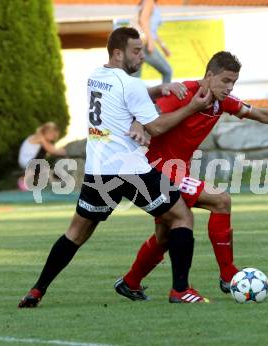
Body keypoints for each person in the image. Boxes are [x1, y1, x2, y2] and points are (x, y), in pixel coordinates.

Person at [18, 27, 213, 308]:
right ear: (118, 52)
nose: (142, 56)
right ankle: (180, 290)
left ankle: (37, 291)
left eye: (143, 50)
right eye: (137, 51)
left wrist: (158, 89)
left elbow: (124, 96)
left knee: (75, 233)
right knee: (182, 217)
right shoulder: (130, 85)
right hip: (130, 170)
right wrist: (193, 107)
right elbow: (155, 127)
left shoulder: (96, 76)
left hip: (99, 172)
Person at [113, 51, 268, 302]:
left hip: (176, 168)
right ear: (209, 76)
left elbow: (262, 114)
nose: (229, 88)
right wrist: (140, 126)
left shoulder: (221, 102)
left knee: (166, 235)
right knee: (221, 200)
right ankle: (227, 276)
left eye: (234, 82)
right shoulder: (182, 92)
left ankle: (130, 282)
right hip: (157, 167)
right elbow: (146, 117)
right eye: (225, 80)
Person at [17, 122, 66, 191]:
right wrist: (65, 151)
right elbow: (52, 150)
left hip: (28, 161)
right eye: (53, 136)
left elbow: (51, 148)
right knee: (42, 156)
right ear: (49, 132)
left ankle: (27, 181)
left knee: (42, 157)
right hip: (27, 161)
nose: (53, 139)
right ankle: (23, 180)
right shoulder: (39, 138)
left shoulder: (39, 137)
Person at [132, 0, 172, 83]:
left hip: (137, 44)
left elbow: (152, 30)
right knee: (167, 71)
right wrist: (150, 42)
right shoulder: (149, 1)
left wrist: (163, 46)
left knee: (135, 78)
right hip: (144, 43)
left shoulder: (148, 3)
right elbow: (143, 20)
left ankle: (131, 95)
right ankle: (166, 95)